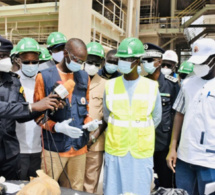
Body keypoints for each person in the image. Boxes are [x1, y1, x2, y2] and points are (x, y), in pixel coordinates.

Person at [34, 38, 99, 191]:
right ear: (65, 54)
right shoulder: (44, 76)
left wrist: (89, 122)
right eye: (77, 60)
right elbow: (38, 117)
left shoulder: (84, 77)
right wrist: (57, 127)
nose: (79, 64)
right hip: (54, 148)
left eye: (83, 61)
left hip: (78, 148)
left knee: (74, 189)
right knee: (47, 189)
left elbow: (85, 108)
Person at [103, 37, 162, 195]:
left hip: (140, 152)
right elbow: (107, 116)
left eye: (127, 59)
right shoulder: (110, 85)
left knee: (138, 191)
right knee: (113, 191)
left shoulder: (151, 87)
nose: (123, 62)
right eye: (121, 58)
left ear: (137, 61)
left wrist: (138, 132)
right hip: (115, 150)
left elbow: (156, 118)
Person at [0, 36, 61, 180]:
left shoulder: (12, 81)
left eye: (5, 56)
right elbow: (6, 108)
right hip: (16, 148)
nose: (3, 60)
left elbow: (21, 115)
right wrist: (33, 105)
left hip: (9, 152)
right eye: (0, 56)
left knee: (15, 187)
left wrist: (46, 105)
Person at [166, 38, 215, 195]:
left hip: (210, 161)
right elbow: (179, 114)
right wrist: (173, 148)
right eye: (196, 63)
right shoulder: (188, 83)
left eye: (203, 62)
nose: (198, 67)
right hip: (185, 157)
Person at [142, 43, 180, 188]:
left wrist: (173, 146)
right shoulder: (141, 82)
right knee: (143, 181)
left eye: (149, 60)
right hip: (141, 141)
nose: (146, 64)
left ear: (159, 62)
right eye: (144, 60)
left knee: (165, 182)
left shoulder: (172, 84)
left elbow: (177, 114)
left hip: (162, 143)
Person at [15, 38, 43, 180]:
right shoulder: (13, 81)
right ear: (19, 60)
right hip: (18, 148)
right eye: (26, 62)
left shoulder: (43, 80)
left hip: (39, 148)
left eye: (34, 62)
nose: (31, 65)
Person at [83, 42, 106, 193]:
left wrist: (94, 137)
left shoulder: (106, 85)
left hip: (95, 142)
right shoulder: (74, 79)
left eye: (95, 63)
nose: (92, 65)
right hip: (73, 141)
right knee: (73, 180)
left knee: (90, 183)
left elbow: (107, 117)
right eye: (89, 61)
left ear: (100, 64)